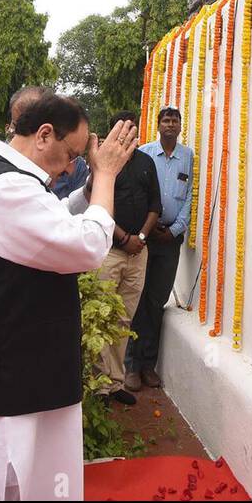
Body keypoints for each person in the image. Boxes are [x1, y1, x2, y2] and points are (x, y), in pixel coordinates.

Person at [0, 94, 138, 501]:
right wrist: (106, 175)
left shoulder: (11, 176)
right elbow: (88, 246)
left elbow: (52, 214)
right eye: (72, 154)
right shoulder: (5, 187)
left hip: (13, 377)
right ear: (43, 135)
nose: (73, 166)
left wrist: (91, 184)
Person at [95, 111, 160, 405]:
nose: (127, 136)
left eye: (132, 131)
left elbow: (155, 206)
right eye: (121, 131)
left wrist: (141, 239)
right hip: (110, 252)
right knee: (101, 318)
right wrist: (123, 238)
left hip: (138, 255)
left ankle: (116, 383)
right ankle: (99, 387)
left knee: (123, 320)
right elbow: (97, 206)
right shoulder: (103, 165)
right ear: (112, 133)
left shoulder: (147, 163)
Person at [127, 106, 194, 390]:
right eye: (165, 120)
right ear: (158, 125)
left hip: (171, 240)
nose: (170, 124)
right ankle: (130, 366)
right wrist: (148, 228)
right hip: (146, 236)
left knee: (157, 302)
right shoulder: (144, 153)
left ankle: (148, 366)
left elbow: (191, 195)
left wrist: (176, 229)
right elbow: (137, 193)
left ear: (180, 126)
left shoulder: (188, 156)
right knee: (138, 299)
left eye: (174, 120)